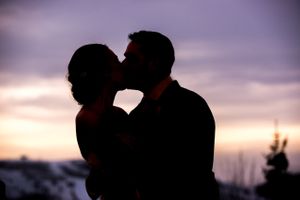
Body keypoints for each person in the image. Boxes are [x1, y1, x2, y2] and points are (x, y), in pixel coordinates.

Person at [122, 30, 220, 199]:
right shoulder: (136, 115)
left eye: (131, 59)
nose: (124, 65)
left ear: (153, 63)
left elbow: (187, 176)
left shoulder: (190, 106)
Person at [67, 44, 137, 200]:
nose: (123, 65)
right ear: (104, 73)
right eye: (116, 60)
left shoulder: (116, 114)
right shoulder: (88, 119)